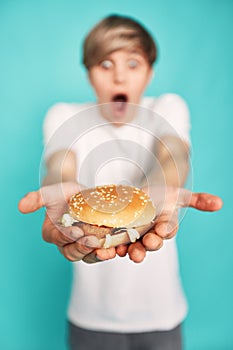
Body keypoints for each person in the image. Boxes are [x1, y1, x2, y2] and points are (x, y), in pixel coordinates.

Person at [18, 14, 223, 350]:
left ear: (150, 72)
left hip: (162, 313)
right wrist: (62, 190)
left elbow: (172, 156)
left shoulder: (167, 108)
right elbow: (61, 167)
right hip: (89, 316)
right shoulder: (64, 116)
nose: (119, 76)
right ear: (88, 73)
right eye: (105, 64)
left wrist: (157, 190)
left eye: (132, 63)